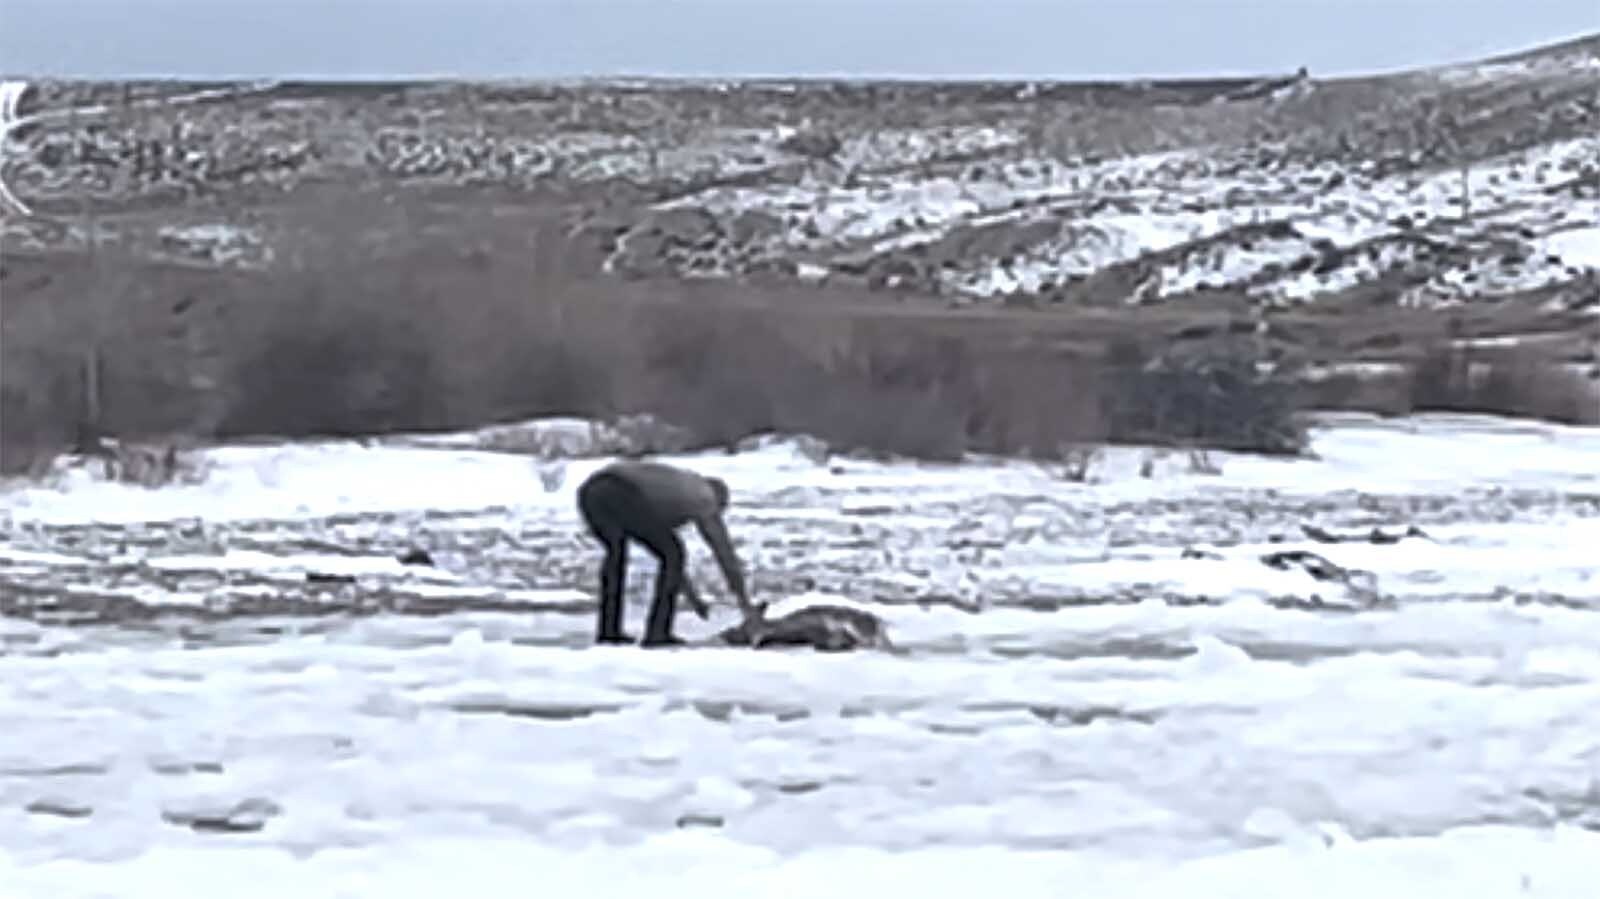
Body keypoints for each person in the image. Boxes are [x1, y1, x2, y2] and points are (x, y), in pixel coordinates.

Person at [575, 460, 757, 647]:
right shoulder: (705, 496)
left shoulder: (672, 494)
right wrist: (744, 602)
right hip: (621, 490)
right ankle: (658, 633)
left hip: (590, 492)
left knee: (617, 554)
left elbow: (669, 559)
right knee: (671, 552)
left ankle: (609, 632)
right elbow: (723, 552)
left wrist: (693, 599)